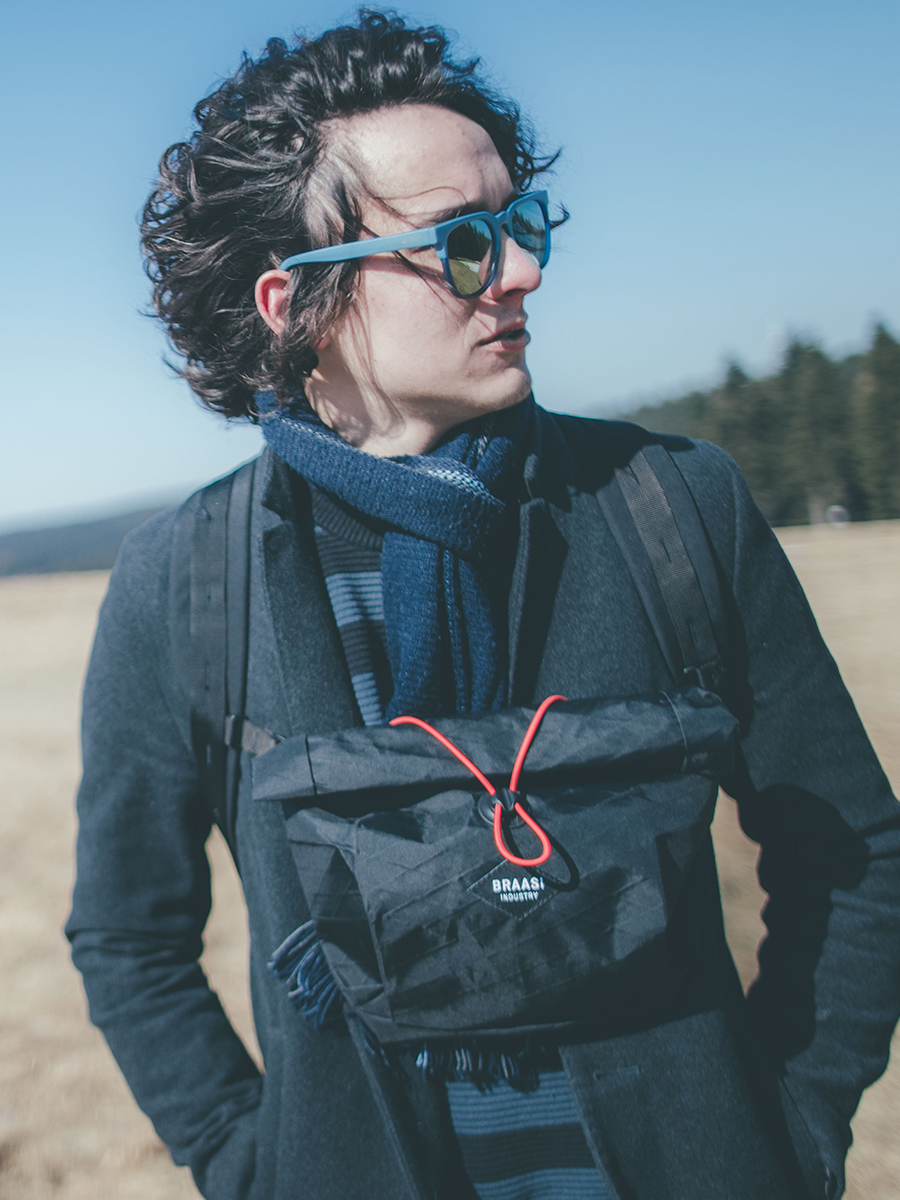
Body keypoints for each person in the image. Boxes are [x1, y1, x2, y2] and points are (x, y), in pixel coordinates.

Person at [67, 11, 900, 1200]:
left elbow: (851, 850)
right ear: (293, 302)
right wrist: (259, 1167)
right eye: (460, 242)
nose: (520, 271)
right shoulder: (186, 583)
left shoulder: (672, 507)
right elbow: (130, 939)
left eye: (520, 222)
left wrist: (791, 1132)